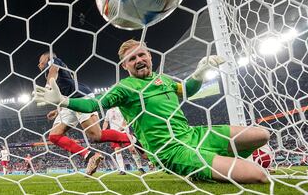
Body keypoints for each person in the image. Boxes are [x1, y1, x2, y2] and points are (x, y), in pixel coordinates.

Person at [34, 39, 270, 183]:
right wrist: (64, 101)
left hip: (193, 135)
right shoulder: (124, 88)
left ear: (149, 56)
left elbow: (185, 90)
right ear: (125, 66)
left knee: (262, 135)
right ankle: (197, 169)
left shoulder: (163, 80)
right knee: (258, 175)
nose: (138, 60)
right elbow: (93, 104)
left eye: (141, 54)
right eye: (131, 58)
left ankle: (222, 161)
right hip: (172, 151)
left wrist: (198, 75)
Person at [37, 52, 136, 176]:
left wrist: (47, 87)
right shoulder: (50, 73)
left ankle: (132, 140)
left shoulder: (54, 62)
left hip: (82, 97)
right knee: (54, 136)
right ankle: (90, 156)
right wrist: (57, 110)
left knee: (96, 136)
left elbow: (54, 69)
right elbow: (66, 90)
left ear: (47, 58)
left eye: (40, 60)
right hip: (68, 103)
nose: (38, 64)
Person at [103, 107, 145, 175]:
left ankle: (140, 167)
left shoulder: (121, 108)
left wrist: (123, 126)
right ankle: (122, 170)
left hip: (124, 132)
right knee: (117, 151)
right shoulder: (108, 111)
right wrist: (103, 130)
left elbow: (126, 118)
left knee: (132, 150)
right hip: (114, 133)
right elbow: (106, 121)